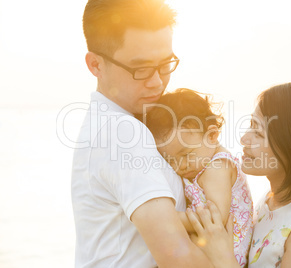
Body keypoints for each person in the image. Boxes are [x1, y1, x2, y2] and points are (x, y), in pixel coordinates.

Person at [71, 0, 213, 267]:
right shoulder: (121, 131)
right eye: (141, 69)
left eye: (165, 64)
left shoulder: (116, 124)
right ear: (96, 65)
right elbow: (176, 256)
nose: (158, 82)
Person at [186, 80, 291, 267]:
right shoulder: (269, 202)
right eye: (250, 125)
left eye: (258, 132)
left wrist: (221, 256)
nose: (244, 138)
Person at [145, 88, 254, 267]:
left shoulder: (217, 168)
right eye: (169, 160)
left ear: (211, 136)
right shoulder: (203, 164)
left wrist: (164, 217)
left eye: (186, 155)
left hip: (223, 257)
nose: (179, 166)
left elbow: (214, 219)